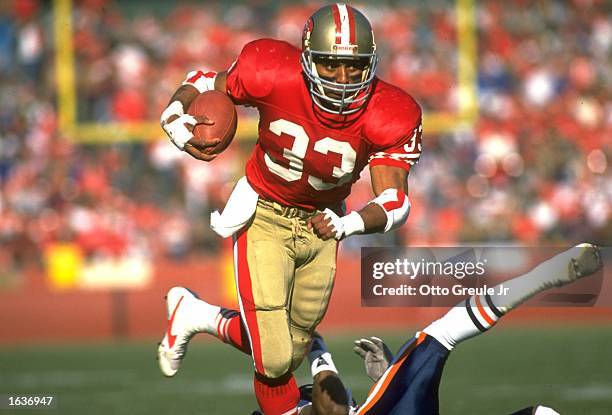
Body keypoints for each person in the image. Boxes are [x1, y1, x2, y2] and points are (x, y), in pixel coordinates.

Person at [158, 4, 422, 414]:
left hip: (324, 224)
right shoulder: (271, 69)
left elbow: (395, 200)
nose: (342, 78)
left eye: (354, 67)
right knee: (275, 359)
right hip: (263, 210)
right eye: (331, 65)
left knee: (290, 349)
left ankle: (198, 315)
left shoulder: (392, 112)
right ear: (307, 58)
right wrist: (176, 110)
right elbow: (203, 81)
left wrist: (349, 223)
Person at [252, 243, 602, 414]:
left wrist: (387, 378)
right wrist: (316, 345)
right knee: (442, 333)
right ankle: (542, 277)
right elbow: (333, 408)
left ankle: (543, 276)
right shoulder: (298, 401)